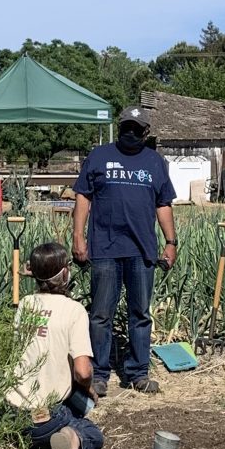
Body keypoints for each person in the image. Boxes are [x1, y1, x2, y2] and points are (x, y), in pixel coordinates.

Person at [72, 106, 177, 396]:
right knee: (101, 314)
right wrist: (78, 237)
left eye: (136, 128)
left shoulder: (155, 162)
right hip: (104, 247)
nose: (131, 133)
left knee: (140, 314)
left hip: (142, 250)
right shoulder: (99, 156)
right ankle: (99, 374)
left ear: (145, 132)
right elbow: (83, 197)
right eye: (126, 127)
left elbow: (163, 204)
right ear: (120, 129)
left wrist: (171, 242)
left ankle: (137, 373)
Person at [7, 242, 103, 449]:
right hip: (47, 416)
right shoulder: (74, 311)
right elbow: (82, 371)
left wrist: (38, 271)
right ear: (64, 274)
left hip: (13, 412)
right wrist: (89, 389)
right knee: (92, 432)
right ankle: (70, 439)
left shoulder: (26, 304)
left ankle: (21, 441)